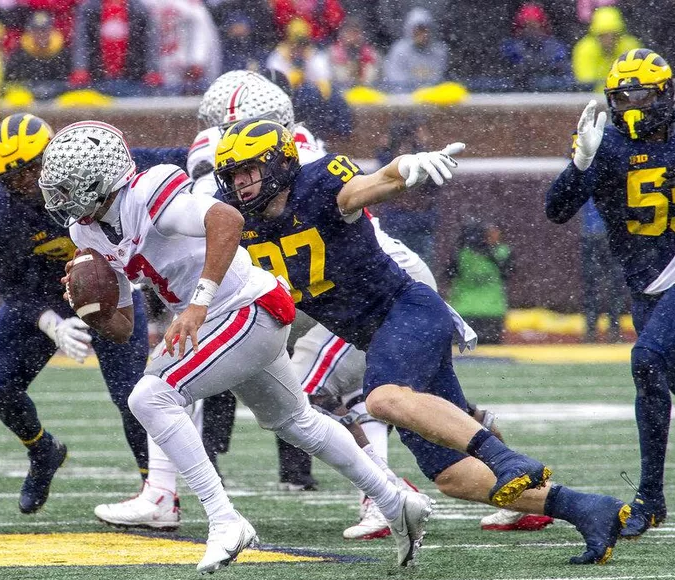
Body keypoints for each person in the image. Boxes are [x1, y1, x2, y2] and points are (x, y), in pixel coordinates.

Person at [214, 117, 634, 565]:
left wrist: (406, 167)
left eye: (248, 170)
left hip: (409, 309)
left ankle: (506, 457)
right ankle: (589, 509)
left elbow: (371, 184)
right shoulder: (235, 218)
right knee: (451, 476)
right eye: (232, 174)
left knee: (383, 399)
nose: (239, 183)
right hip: (381, 336)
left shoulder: (318, 184)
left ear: (278, 162)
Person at [42, 119, 434, 573]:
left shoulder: (147, 192)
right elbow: (124, 328)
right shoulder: (87, 233)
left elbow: (226, 219)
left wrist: (198, 304)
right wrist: (92, 310)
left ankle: (224, 520)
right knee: (296, 421)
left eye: (69, 187)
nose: (60, 199)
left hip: (246, 305)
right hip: (230, 316)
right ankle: (395, 500)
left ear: (100, 179)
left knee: (150, 396)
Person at [193, 69, 550, 538]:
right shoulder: (248, 167)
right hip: (334, 291)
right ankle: (523, 489)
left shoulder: (291, 164)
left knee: (308, 393)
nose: (220, 136)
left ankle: (384, 494)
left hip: (367, 286)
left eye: (225, 122)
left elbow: (367, 185)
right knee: (424, 404)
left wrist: (405, 172)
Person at [0, 113, 188, 515]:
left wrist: (208, 156)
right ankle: (43, 452)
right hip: (43, 297)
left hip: (112, 289)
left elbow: (175, 158)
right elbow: (10, 286)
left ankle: (156, 491)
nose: (25, 183)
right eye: (13, 177)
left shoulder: (92, 165)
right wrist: (48, 321)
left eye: (31, 170)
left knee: (132, 395)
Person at [547, 48, 675, 538]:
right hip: (650, 287)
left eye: (641, 92)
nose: (631, 104)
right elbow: (555, 210)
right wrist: (580, 163)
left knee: (648, 360)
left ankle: (649, 499)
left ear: (666, 93)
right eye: (621, 95)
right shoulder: (606, 145)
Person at [445, 220, 512, 345]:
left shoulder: (461, 254)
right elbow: (507, 272)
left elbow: (449, 275)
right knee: (491, 355)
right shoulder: (502, 252)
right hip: (489, 310)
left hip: (467, 310)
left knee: (462, 353)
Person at [580, 199, 625, 343]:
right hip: (609, 234)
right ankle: (613, 329)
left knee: (592, 285)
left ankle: (592, 331)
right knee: (614, 285)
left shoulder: (586, 180)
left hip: (592, 234)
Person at [571, 6, 639, 92]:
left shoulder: (631, 47)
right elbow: (586, 83)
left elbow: (638, 79)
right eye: (604, 35)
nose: (609, 40)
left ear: (620, 34)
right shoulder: (584, 49)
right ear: (596, 35)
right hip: (597, 100)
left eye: (614, 35)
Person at [382, 8, 448, 91]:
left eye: (425, 30)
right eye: (418, 31)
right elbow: (395, 79)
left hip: (433, 97)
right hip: (406, 98)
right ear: (410, 31)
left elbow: (441, 79)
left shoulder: (439, 51)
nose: (423, 35)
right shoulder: (399, 50)